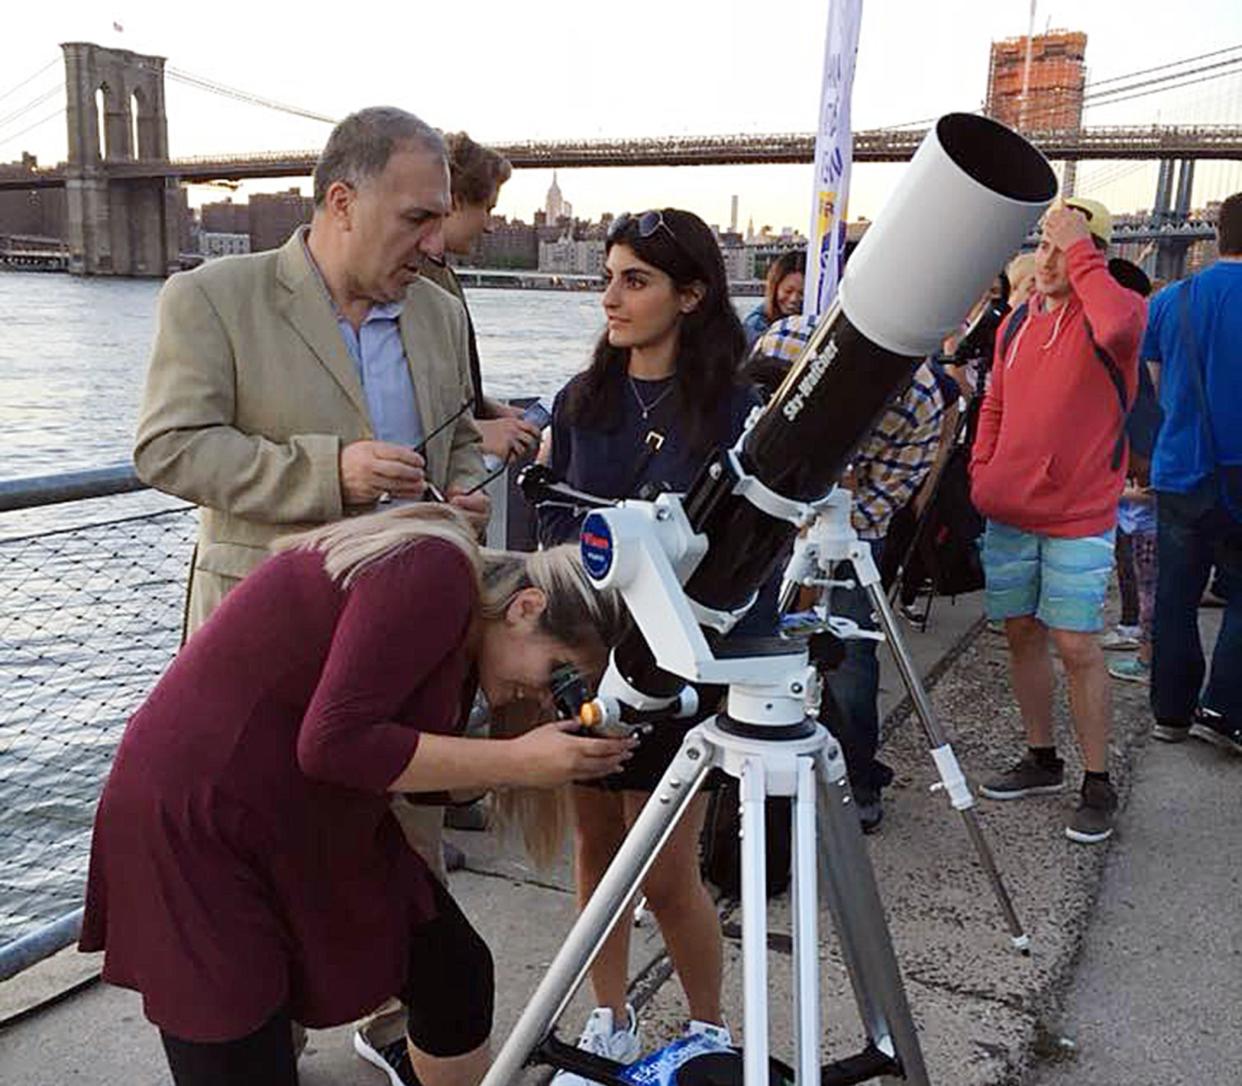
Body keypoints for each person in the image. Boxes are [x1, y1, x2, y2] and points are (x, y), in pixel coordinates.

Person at [79, 503, 637, 1086]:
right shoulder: (434, 570)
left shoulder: (461, 619)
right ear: (526, 608)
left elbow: (414, 778)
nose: (550, 697)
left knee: (453, 970)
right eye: (560, 672)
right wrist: (518, 761)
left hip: (299, 812)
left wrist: (530, 765)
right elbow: (333, 744)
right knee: (239, 1052)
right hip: (200, 822)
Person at [537, 208, 760, 1080]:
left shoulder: (736, 412)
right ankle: (611, 1017)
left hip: (678, 661)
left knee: (666, 868)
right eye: (608, 277)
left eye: (636, 280)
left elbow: (743, 554)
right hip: (587, 656)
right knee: (594, 851)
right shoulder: (581, 402)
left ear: (692, 294)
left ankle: (707, 1029)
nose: (611, 298)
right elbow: (553, 525)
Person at [134, 107, 490, 637]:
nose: (436, 245)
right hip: (261, 633)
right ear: (343, 204)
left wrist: (463, 492)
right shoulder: (211, 297)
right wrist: (329, 474)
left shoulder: (442, 313)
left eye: (441, 220)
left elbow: (460, 439)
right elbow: (169, 449)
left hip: (405, 631)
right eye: (418, 219)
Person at [971, 198, 1146, 844]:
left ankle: (1098, 780)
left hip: (1079, 513)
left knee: (1077, 644)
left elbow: (1122, 332)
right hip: (1010, 508)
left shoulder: (1113, 313)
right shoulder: (1015, 323)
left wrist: (1082, 251)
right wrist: (983, 473)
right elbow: (994, 403)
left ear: (1090, 254)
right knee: (1020, 632)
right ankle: (1042, 757)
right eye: (1042, 245)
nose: (1046, 260)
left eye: (1062, 247)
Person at [747, 315, 947, 831]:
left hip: (850, 526)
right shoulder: (788, 343)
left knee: (853, 657)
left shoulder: (920, 401)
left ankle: (856, 779)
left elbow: (877, 511)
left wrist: (833, 494)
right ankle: (753, 777)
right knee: (754, 644)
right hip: (765, 511)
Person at [1142, 191, 1242, 753]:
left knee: (1177, 595)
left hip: (1181, 469)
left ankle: (1171, 714)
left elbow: (1158, 389)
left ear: (1217, 235)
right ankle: (1224, 710)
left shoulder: (1171, 301)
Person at [420, 131, 543, 466]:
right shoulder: (408, 280)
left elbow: (444, 386)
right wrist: (476, 430)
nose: (489, 226)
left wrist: (486, 408)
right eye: (487, 208)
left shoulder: (440, 273)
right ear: (455, 201)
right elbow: (396, 399)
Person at [741, 250, 805, 348]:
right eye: (788, 291)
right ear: (774, 288)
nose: (794, 299)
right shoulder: (755, 326)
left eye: (802, 293)